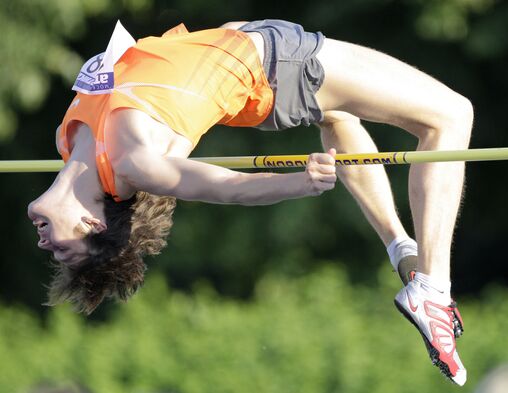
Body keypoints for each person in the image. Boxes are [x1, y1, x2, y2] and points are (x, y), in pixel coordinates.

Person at [27, 19, 473, 385]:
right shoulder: (135, 164)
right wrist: (298, 183)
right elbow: (227, 187)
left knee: (339, 116)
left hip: (252, 58)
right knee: (450, 116)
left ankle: (401, 249)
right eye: (65, 249)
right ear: (94, 223)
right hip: (276, 63)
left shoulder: (69, 138)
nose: (46, 245)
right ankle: (434, 291)